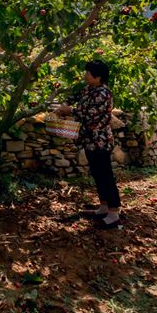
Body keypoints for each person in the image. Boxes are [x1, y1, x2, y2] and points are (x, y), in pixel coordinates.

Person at [56, 59, 121, 229]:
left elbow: (90, 115)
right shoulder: (89, 88)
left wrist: (70, 110)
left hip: (100, 140)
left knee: (105, 174)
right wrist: (64, 103)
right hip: (89, 140)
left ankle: (114, 213)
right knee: (97, 173)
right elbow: (76, 96)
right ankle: (104, 207)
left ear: (98, 77)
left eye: (88, 73)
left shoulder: (103, 93)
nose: (85, 75)